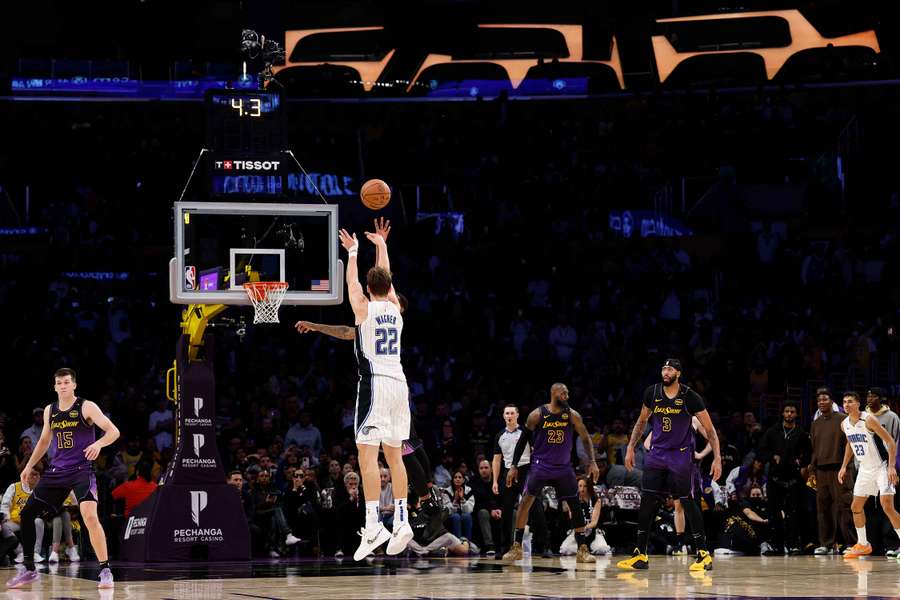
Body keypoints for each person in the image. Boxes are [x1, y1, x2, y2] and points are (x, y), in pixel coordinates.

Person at [7, 368, 120, 589]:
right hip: (58, 471)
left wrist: (98, 444)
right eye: (59, 383)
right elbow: (43, 442)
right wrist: (29, 466)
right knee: (27, 513)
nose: (63, 386)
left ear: (74, 385)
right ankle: (30, 570)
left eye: (67, 382)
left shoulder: (86, 406)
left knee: (89, 516)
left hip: (81, 471)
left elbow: (113, 431)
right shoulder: (50, 410)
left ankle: (105, 570)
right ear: (55, 386)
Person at [338, 225, 412, 560]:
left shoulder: (363, 307)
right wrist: (381, 244)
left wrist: (352, 253)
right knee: (394, 456)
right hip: (400, 385)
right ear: (388, 287)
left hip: (376, 384)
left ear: (370, 289)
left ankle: (372, 526)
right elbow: (386, 275)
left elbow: (351, 285)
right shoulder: (396, 307)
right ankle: (401, 519)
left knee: (366, 456)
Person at [617, 359, 721, 572]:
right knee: (647, 500)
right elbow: (641, 422)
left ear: (678, 373)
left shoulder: (690, 397)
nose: (665, 372)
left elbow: (710, 431)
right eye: (664, 368)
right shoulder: (652, 392)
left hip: (680, 456)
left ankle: (703, 554)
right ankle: (641, 554)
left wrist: (717, 457)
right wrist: (630, 448)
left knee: (687, 501)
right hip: (657, 454)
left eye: (670, 369)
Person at [502, 383, 599, 563]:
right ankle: (516, 547)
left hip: (563, 467)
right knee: (525, 502)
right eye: (564, 393)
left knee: (575, 504)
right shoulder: (537, 414)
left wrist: (592, 461)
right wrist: (513, 466)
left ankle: (582, 549)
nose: (567, 397)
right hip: (541, 466)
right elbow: (523, 440)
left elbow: (585, 438)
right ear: (554, 393)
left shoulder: (572, 414)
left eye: (568, 393)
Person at [837, 391, 900, 558]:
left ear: (858, 403)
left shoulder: (869, 419)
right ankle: (863, 544)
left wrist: (891, 467)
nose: (846, 404)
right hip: (865, 469)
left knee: (887, 506)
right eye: (844, 402)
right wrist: (843, 466)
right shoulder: (844, 424)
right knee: (855, 507)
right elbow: (850, 444)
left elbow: (890, 442)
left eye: (850, 401)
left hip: (881, 467)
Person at [491, 403, 548, 558]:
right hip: (508, 473)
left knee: (536, 508)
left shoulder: (526, 432)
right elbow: (496, 460)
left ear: (517, 415)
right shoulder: (499, 435)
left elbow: (537, 451)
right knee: (507, 511)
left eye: (511, 413)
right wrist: (495, 481)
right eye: (506, 413)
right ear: (503, 416)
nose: (509, 416)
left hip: (526, 470)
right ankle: (505, 548)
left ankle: (543, 547)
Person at [756, 401, 811, 555]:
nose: (789, 414)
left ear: (796, 414)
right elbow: (760, 451)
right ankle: (777, 545)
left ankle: (793, 544)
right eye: (786, 411)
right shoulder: (772, 432)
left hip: (794, 480)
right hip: (775, 479)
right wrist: (772, 456)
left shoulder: (801, 433)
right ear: (782, 413)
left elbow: (809, 454)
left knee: (794, 513)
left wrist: (802, 462)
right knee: (774, 514)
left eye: (792, 412)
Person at [809, 386, 854, 554]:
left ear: (832, 401)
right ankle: (827, 544)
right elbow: (814, 448)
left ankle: (851, 543)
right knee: (823, 509)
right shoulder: (815, 424)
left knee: (845, 507)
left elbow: (850, 444)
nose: (822, 402)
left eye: (825, 399)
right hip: (821, 470)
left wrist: (846, 466)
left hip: (840, 469)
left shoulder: (843, 419)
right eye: (819, 400)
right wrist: (812, 468)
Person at [1, 464, 46, 563]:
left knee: (39, 522)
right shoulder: (14, 487)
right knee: (4, 526)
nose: (35, 477)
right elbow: (5, 505)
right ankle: (21, 552)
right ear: (25, 474)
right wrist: (6, 517)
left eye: (37, 475)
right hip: (14, 521)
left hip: (31, 521)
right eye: (33, 474)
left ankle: (35, 553)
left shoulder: (40, 490)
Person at [559, 477, 610, 556]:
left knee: (602, 549)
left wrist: (585, 528)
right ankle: (584, 549)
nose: (582, 489)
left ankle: (587, 549)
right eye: (580, 486)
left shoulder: (596, 500)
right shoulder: (573, 500)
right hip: (577, 531)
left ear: (589, 487)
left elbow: (594, 522)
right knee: (565, 549)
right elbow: (572, 518)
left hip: (592, 531)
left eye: (585, 486)